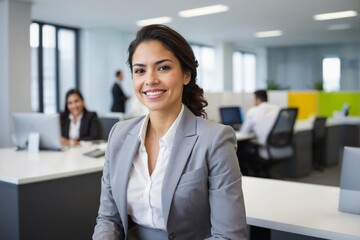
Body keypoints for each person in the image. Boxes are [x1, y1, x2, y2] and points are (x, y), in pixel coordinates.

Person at [93, 24, 248, 240]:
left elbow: (230, 236)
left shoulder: (214, 140)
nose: (150, 79)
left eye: (163, 67)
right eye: (140, 70)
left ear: (186, 74)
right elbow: (109, 219)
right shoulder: (119, 134)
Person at [239, 89, 280, 175]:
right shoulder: (277, 109)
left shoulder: (253, 111)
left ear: (257, 99)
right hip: (279, 146)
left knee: (240, 150)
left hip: (264, 149)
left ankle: (251, 176)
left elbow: (244, 131)